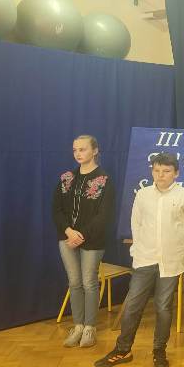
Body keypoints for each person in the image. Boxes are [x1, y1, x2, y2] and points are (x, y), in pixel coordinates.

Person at [94, 152, 184, 367]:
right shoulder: (143, 195)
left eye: (166, 171)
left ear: (176, 173)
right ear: (152, 171)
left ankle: (159, 350)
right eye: (157, 170)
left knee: (163, 307)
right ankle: (123, 349)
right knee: (132, 305)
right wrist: (137, 251)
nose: (161, 175)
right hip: (144, 259)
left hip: (171, 262)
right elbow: (137, 224)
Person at [52, 135, 114, 348]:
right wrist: (69, 231)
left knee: (89, 282)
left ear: (95, 151)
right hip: (67, 239)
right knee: (74, 282)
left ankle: (90, 327)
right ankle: (78, 325)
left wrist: (81, 235)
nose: (78, 154)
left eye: (83, 149)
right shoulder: (66, 178)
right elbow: (56, 209)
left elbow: (104, 215)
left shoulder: (104, 180)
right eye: (75, 150)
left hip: (92, 240)